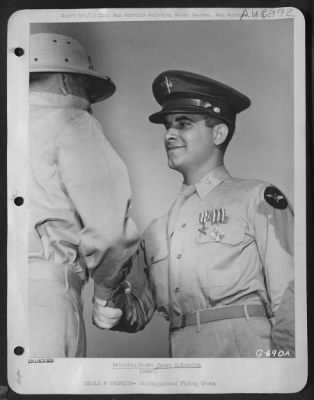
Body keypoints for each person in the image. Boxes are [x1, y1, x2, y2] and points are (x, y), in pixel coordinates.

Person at [95, 70, 294, 358]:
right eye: (167, 126)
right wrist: (109, 300)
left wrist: (285, 368)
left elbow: (291, 294)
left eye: (183, 124)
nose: (169, 134)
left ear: (219, 133)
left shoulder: (257, 199)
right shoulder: (155, 232)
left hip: (246, 350)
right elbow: (135, 312)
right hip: (182, 356)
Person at [28, 32, 139, 357]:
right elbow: (109, 231)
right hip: (43, 297)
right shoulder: (73, 121)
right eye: (84, 85)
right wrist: (107, 294)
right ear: (65, 79)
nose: (87, 98)